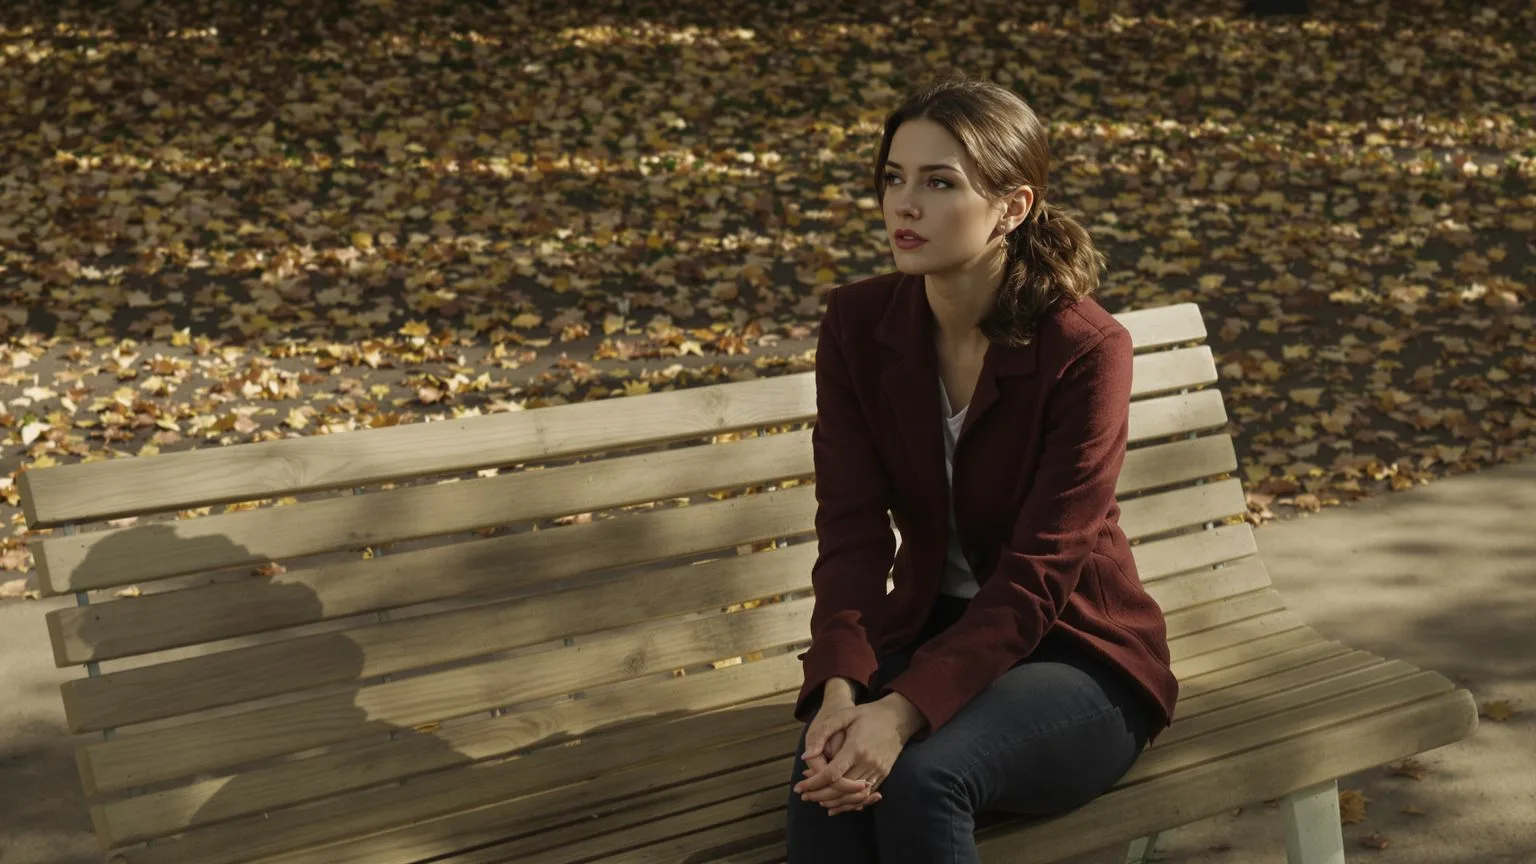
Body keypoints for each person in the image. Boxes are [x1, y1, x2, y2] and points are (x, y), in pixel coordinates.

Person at [785, 75, 1180, 863]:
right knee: (826, 782)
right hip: (929, 631)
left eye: (939, 183)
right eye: (893, 178)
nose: (905, 205)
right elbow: (852, 533)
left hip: (1078, 656)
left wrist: (898, 714)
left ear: (1013, 207)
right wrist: (839, 690)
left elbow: (1040, 573)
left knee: (924, 778)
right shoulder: (860, 326)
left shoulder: (1085, 351)